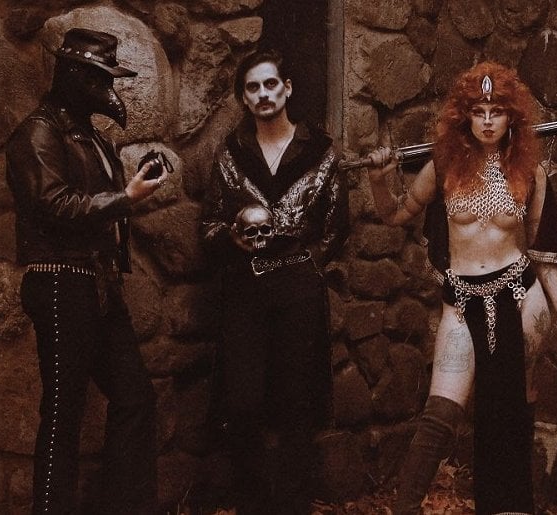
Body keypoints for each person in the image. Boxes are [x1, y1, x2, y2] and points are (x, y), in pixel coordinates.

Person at [363, 61, 557, 515]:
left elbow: (543, 251)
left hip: (519, 296)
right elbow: (395, 214)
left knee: (512, 407)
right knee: (441, 413)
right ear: (464, 117)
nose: (487, 121)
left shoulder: (531, 172)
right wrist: (379, 181)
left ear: (510, 117)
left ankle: (511, 508)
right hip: (461, 302)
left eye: (496, 112)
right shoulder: (443, 166)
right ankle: (404, 509)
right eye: (478, 112)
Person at [5, 28, 164, 515]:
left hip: (98, 283)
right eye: (98, 79)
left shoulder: (90, 135)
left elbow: (95, 200)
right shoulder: (38, 132)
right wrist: (126, 198)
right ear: (72, 75)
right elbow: (53, 204)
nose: (107, 90)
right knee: (63, 413)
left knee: (135, 397)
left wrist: (132, 185)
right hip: (60, 281)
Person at [198, 48, 349, 514]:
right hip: (244, 292)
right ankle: (253, 504)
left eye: (270, 84)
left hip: (300, 292)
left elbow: (336, 228)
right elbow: (208, 224)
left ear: (287, 88)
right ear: (243, 98)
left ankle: (292, 506)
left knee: (296, 406)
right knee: (242, 404)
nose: (263, 94)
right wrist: (230, 239)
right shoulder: (230, 154)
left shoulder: (321, 152)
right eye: (252, 87)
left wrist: (306, 266)